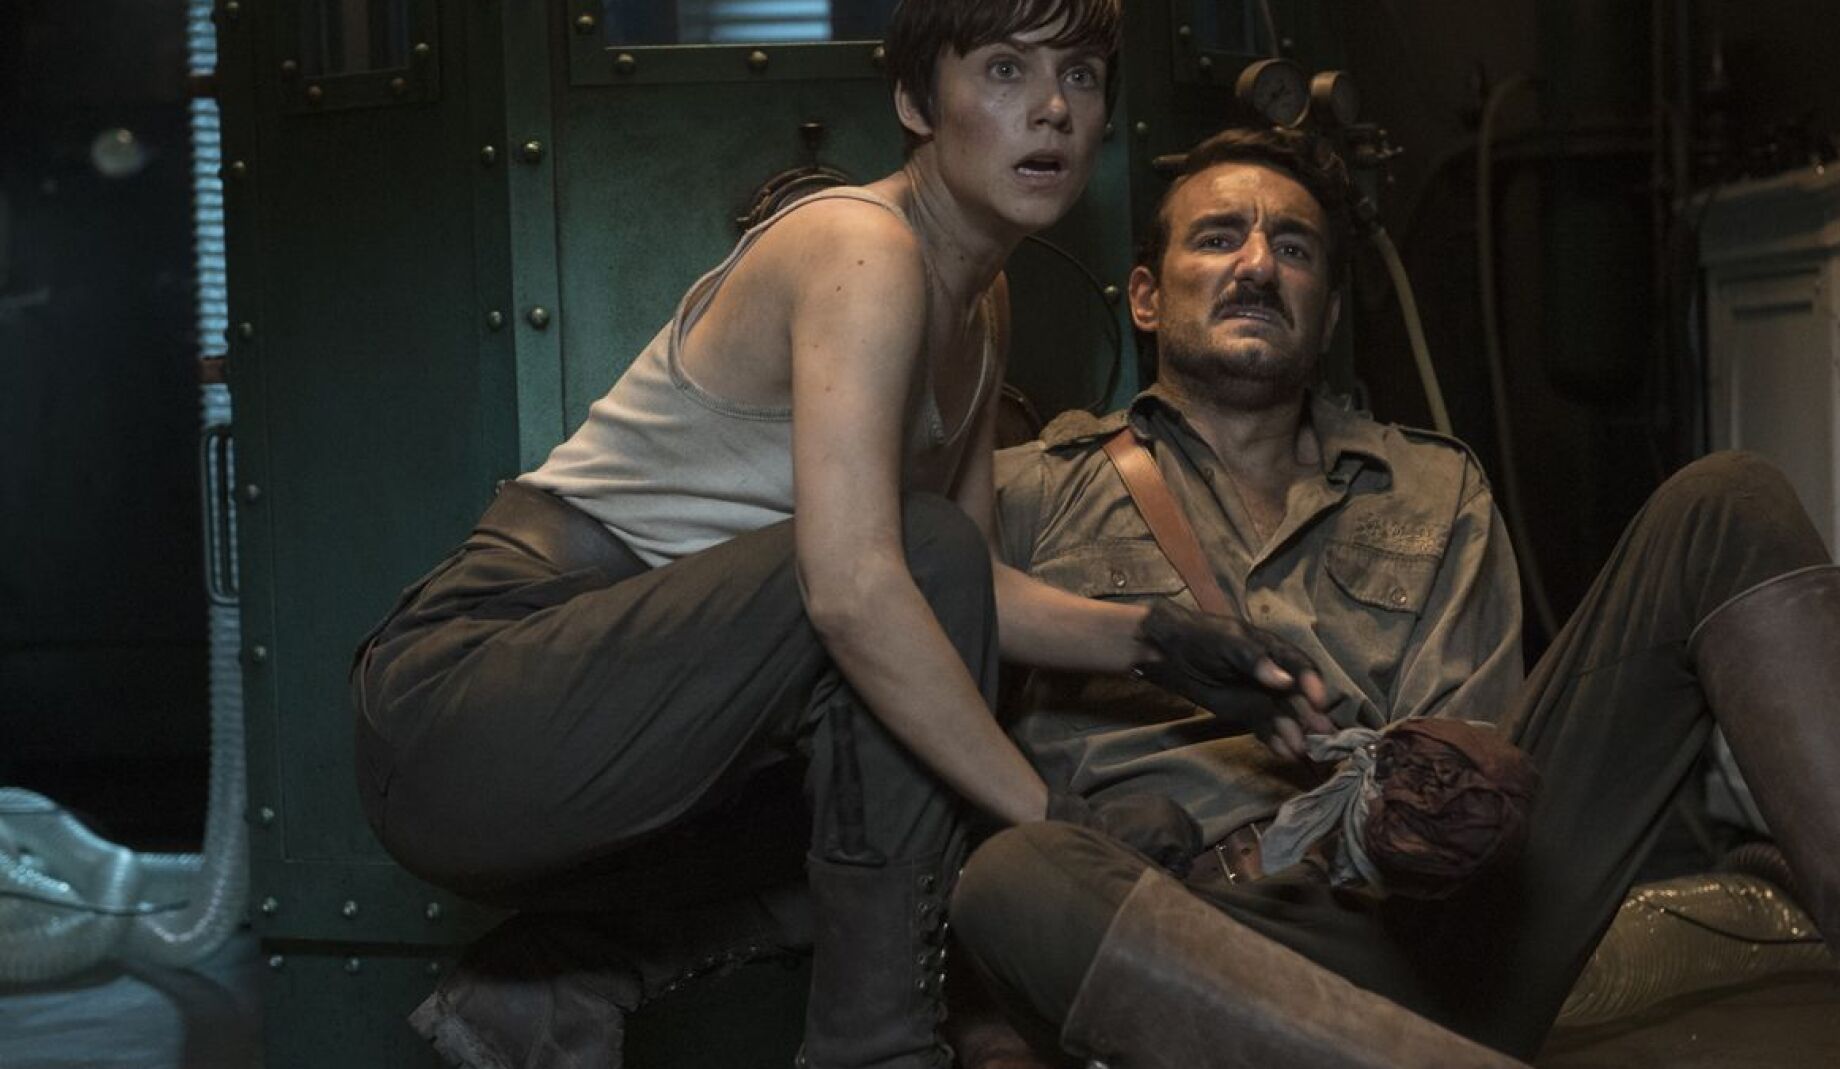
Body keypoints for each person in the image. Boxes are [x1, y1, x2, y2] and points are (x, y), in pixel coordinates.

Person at [349, 5, 1316, 1069]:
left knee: (926, 763)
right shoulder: (861, 244)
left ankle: (556, 977)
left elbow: (972, 592)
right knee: (927, 636)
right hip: (467, 707)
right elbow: (861, 585)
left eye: (1080, 77)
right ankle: (878, 1050)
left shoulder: (980, 303)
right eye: (1005, 71)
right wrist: (1048, 820)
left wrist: (1162, 641)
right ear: (915, 103)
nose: (1052, 108)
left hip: (628, 738)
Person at [950, 126, 1840, 1067]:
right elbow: (916, 697)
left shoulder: (1434, 490)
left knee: (1729, 503)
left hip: (1414, 937)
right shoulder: (1029, 492)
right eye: (1217, 238)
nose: (1258, 265)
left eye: (1294, 248)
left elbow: (1475, 786)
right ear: (1147, 298)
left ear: (1327, 315)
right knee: (1011, 876)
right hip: (1176, 947)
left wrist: (1403, 806)